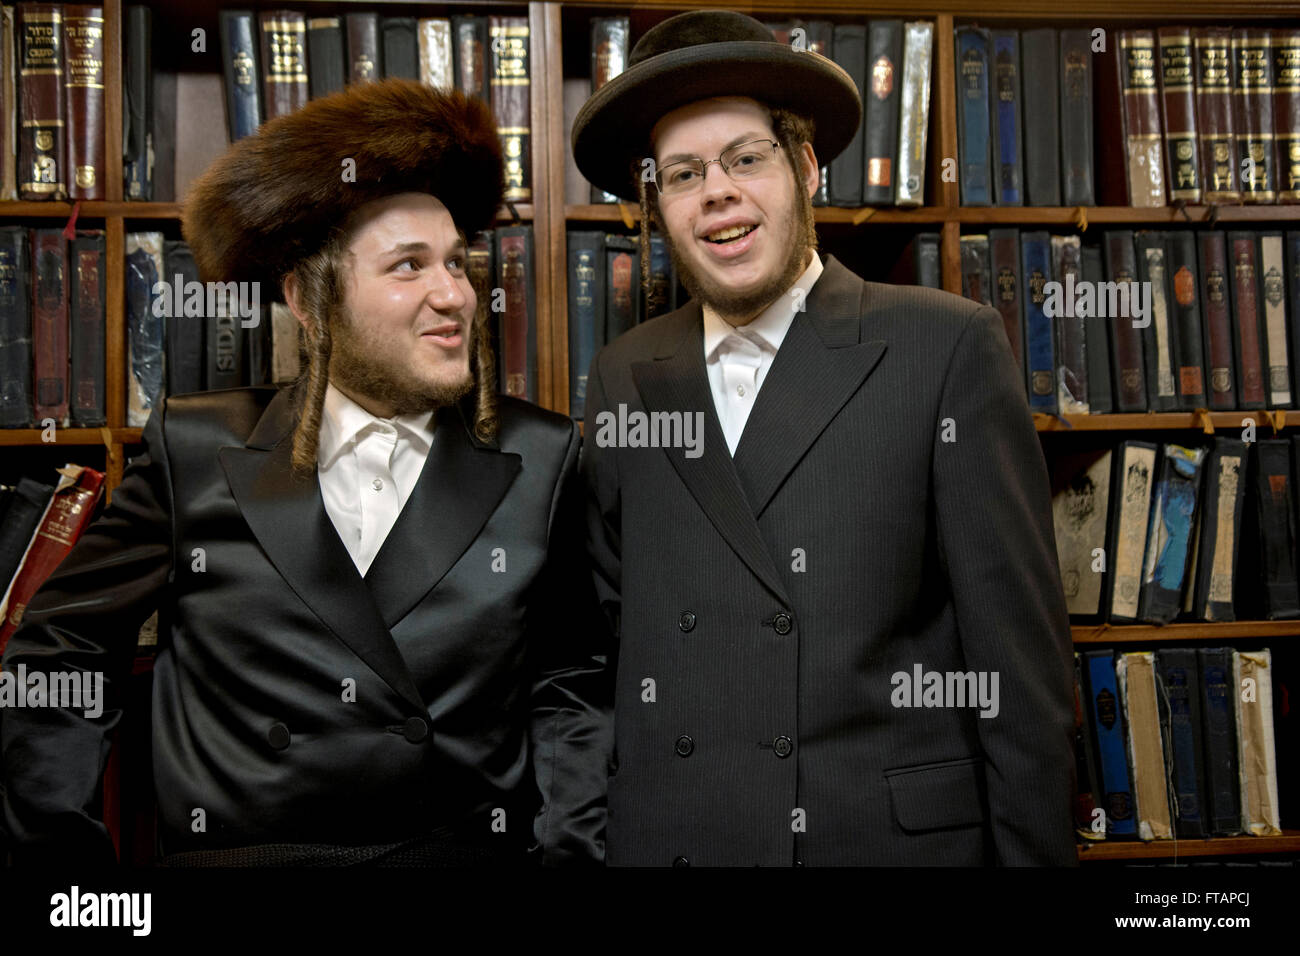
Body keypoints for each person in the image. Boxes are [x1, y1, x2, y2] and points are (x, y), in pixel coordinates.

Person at [1, 79, 608, 866]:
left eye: (457, 263)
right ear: (309, 300)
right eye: (408, 266)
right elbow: (62, 650)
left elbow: (572, 686)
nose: (454, 294)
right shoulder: (196, 446)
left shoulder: (543, 456)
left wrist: (567, 858)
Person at [573, 10, 1075, 866]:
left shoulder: (945, 345)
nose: (718, 192)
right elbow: (608, 644)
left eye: (745, 159)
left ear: (806, 168)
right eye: (684, 172)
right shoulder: (624, 371)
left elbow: (1020, 679)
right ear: (657, 201)